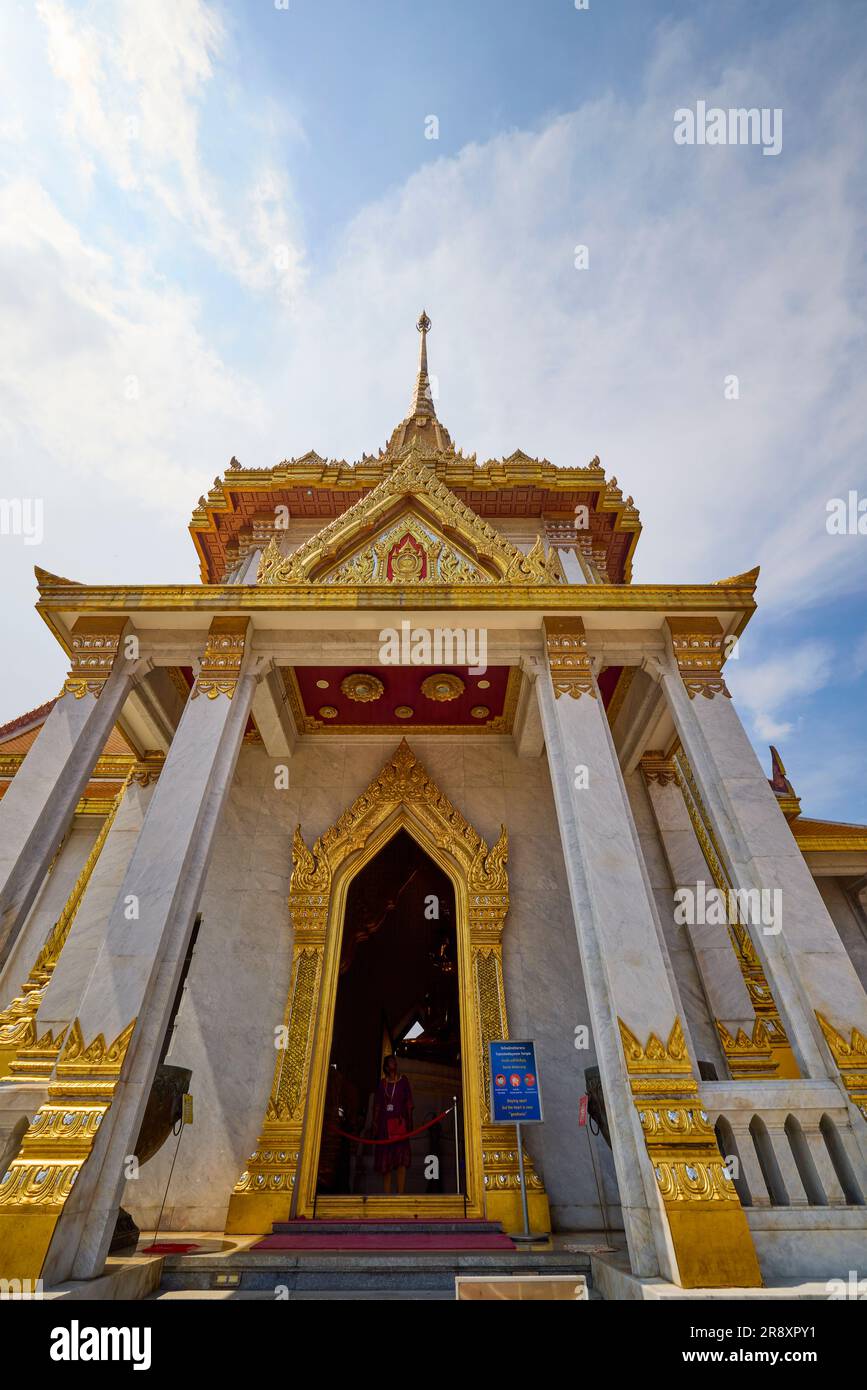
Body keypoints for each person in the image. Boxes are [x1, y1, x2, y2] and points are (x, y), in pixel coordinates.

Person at [372, 1055, 414, 1194]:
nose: (394, 1063)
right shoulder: (382, 1084)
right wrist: (375, 1123)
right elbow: (377, 1105)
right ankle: (387, 1197)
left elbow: (408, 1102)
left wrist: (410, 1120)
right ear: (385, 1066)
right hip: (385, 1127)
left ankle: (401, 1194)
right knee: (387, 1162)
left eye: (394, 1061)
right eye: (390, 1061)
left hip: (400, 1125)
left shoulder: (403, 1081)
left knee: (401, 1160)